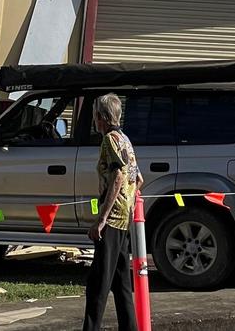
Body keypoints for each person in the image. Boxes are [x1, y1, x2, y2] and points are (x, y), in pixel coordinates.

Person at [83, 93, 144, 331]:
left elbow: (119, 176)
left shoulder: (109, 139)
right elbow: (138, 179)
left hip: (113, 219)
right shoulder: (125, 140)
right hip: (124, 218)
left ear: (101, 117)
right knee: (121, 285)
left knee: (97, 284)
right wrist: (128, 201)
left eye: (96, 115)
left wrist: (102, 219)